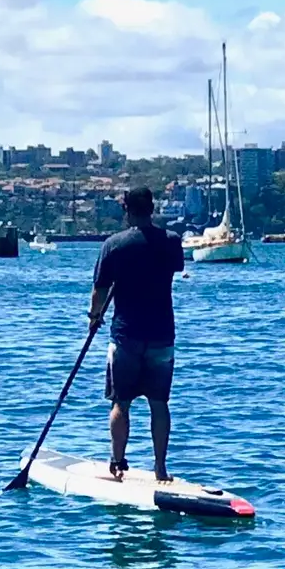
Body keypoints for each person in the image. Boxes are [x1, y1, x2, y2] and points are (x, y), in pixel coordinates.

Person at [88, 187, 185, 481]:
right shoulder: (172, 241)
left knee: (121, 402)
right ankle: (160, 467)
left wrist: (94, 318)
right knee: (159, 403)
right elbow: (171, 269)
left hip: (125, 335)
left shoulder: (114, 245)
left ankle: (117, 462)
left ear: (126, 210)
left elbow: (100, 290)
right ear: (152, 209)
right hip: (162, 334)